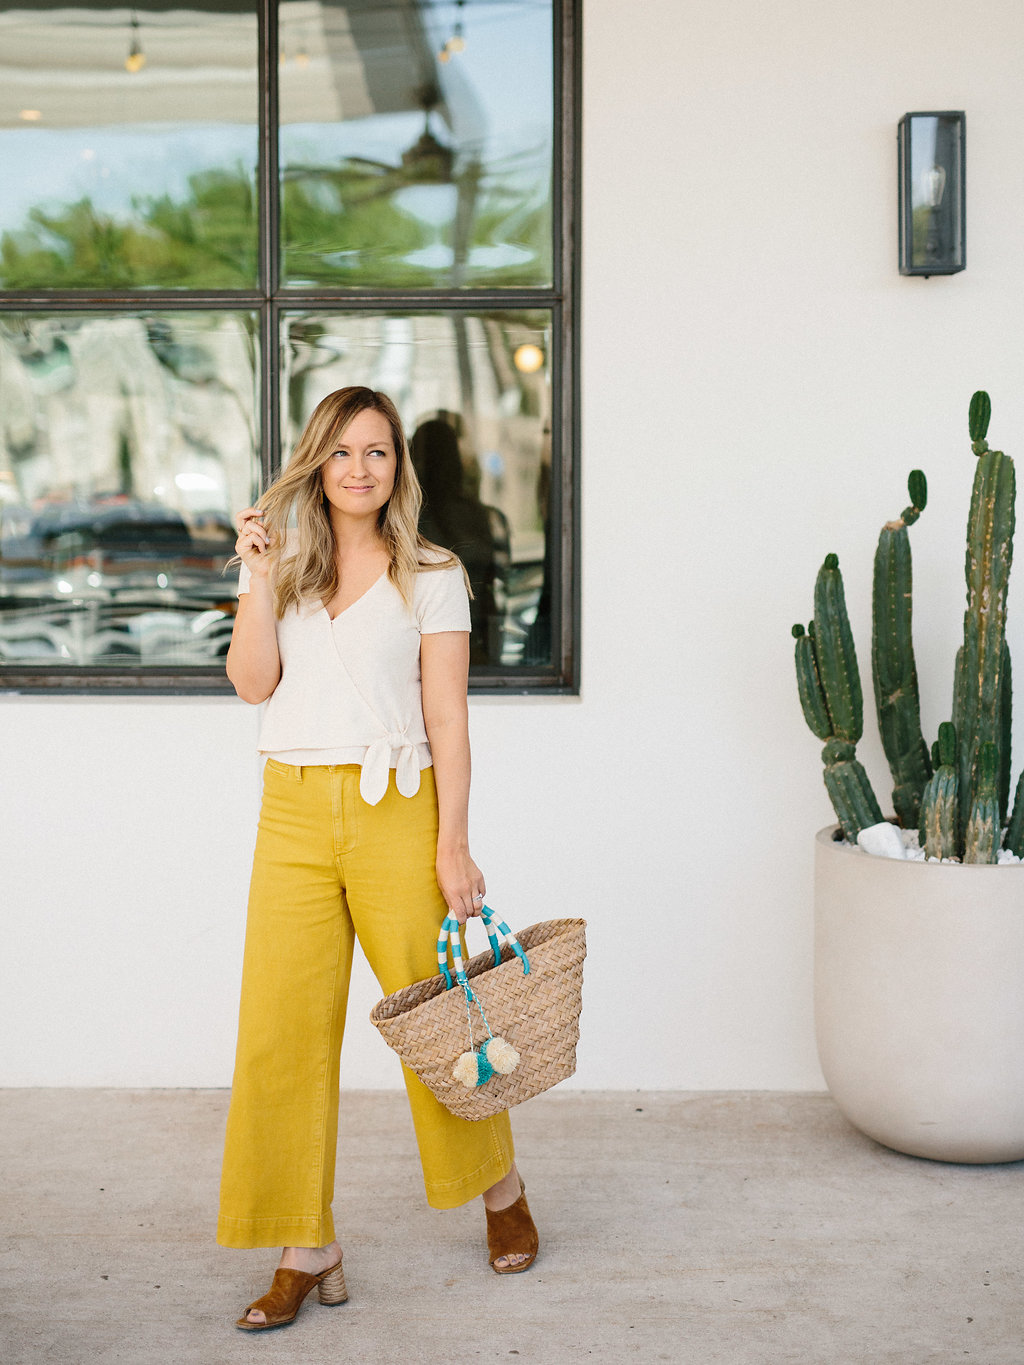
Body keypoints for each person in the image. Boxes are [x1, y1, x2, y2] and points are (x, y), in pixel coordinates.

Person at [218, 386, 538, 1333]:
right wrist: (254, 577)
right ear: (317, 460)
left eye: (380, 452)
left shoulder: (432, 572)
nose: (361, 468)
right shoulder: (288, 565)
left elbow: (448, 717)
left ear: (399, 468)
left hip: (399, 806)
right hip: (294, 810)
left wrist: (454, 842)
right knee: (280, 1030)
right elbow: (251, 685)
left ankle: (502, 1187)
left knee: (440, 1023)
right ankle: (304, 1246)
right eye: (344, 451)